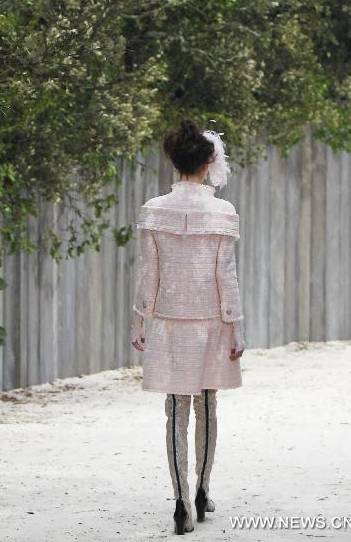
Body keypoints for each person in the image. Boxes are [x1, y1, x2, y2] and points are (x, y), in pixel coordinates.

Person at [131, 119, 246, 535]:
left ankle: (180, 499)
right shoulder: (223, 212)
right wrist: (236, 327)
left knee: (176, 410)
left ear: (175, 162)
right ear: (209, 162)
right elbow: (225, 276)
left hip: (168, 322)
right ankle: (202, 490)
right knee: (208, 407)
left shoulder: (154, 209)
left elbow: (149, 273)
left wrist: (139, 319)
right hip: (212, 322)